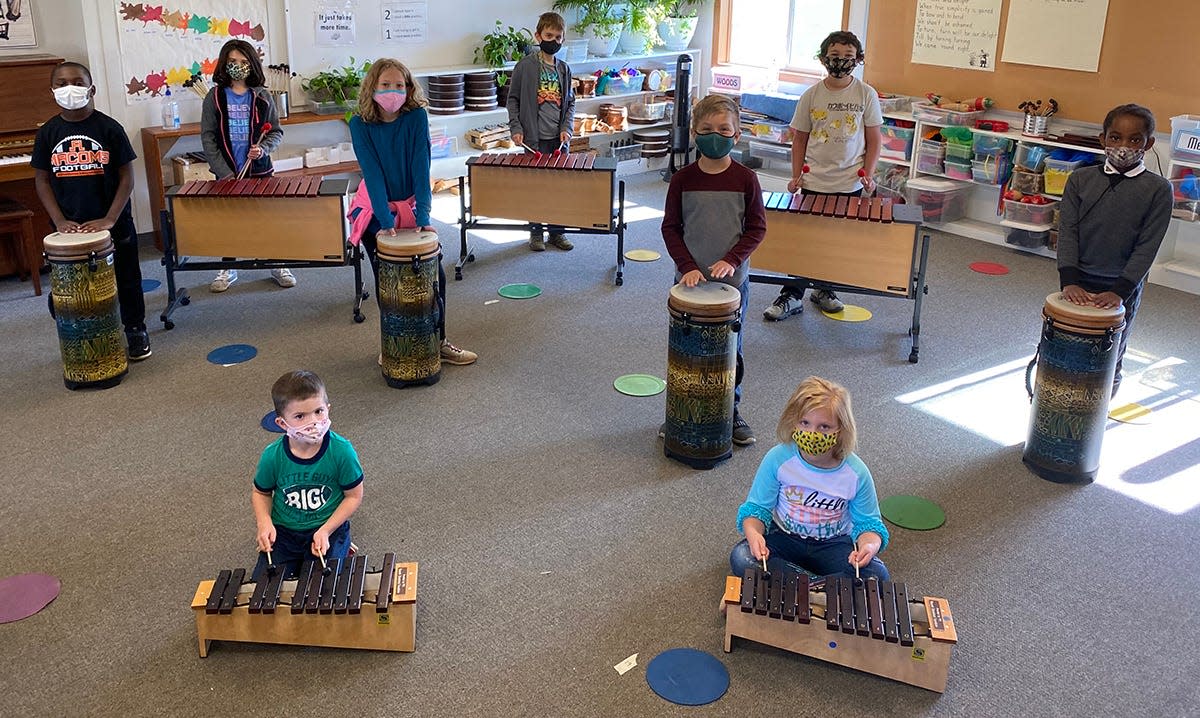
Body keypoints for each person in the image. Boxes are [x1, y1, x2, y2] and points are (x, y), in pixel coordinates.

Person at [348, 58, 476, 366]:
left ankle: (440, 340)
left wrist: (424, 219)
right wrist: (385, 220)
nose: (393, 91)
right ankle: (394, 343)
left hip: (412, 202)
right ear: (372, 87)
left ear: (408, 88)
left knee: (435, 275)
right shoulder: (359, 123)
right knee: (388, 279)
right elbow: (373, 172)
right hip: (375, 207)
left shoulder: (416, 116)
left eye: (399, 85)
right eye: (386, 85)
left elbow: (422, 166)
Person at [661, 93, 766, 446]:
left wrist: (731, 259)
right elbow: (670, 228)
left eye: (724, 129)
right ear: (694, 133)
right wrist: (686, 265)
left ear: (737, 136)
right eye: (707, 129)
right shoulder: (682, 180)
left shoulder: (746, 179)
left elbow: (757, 229)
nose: (715, 136)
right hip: (688, 286)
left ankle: (730, 411)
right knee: (686, 354)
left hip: (733, 286)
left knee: (728, 353)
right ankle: (679, 411)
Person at [31, 61, 151, 361]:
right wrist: (59, 220)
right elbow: (42, 179)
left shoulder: (109, 128)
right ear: (52, 91)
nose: (69, 88)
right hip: (69, 223)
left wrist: (110, 217)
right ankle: (86, 329)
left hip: (114, 222)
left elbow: (127, 176)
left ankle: (135, 328)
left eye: (76, 81)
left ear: (91, 88)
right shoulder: (47, 133)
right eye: (61, 83)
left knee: (127, 278)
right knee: (77, 285)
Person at [762, 30, 882, 321]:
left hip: (850, 182)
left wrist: (870, 174)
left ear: (858, 60)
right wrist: (795, 176)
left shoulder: (866, 94)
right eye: (835, 57)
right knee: (806, 239)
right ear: (823, 58)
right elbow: (800, 139)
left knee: (836, 241)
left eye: (848, 58)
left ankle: (825, 289)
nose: (841, 62)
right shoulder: (812, 95)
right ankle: (792, 294)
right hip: (814, 180)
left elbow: (874, 139)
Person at [1058, 103, 1173, 397]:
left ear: (1148, 144)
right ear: (1103, 139)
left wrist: (1120, 290)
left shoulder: (1159, 190)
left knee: (1110, 350)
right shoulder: (1080, 180)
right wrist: (1069, 279)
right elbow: (1068, 231)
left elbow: (1148, 245)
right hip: (1078, 280)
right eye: (1115, 137)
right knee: (1069, 343)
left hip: (1121, 286)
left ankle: (1100, 408)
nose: (1123, 147)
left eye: (1135, 140)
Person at [729, 376, 889, 581]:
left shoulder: (856, 473)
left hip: (834, 544)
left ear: (841, 430)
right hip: (785, 537)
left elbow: (869, 524)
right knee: (742, 557)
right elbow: (756, 509)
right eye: (805, 423)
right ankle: (823, 589)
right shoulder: (778, 458)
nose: (812, 433)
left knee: (876, 575)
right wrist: (754, 535)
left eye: (824, 427)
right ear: (794, 421)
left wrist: (869, 545)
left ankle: (794, 585)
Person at [252, 370, 364, 581]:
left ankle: (342, 542)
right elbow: (261, 492)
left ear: (328, 409)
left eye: (319, 411)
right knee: (265, 585)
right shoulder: (272, 456)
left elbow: (354, 496)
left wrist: (326, 530)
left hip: (327, 527)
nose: (313, 422)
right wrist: (264, 522)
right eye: (300, 416)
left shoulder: (342, 451)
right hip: (285, 532)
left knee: (323, 588)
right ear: (282, 424)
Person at [200, 38, 289, 292]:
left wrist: (262, 149)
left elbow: (276, 133)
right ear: (224, 64)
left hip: (259, 170)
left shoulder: (261, 96)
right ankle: (229, 266)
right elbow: (208, 136)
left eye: (243, 61)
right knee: (230, 221)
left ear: (251, 64)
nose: (238, 66)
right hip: (228, 171)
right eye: (232, 62)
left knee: (267, 218)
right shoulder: (214, 97)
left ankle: (276, 261)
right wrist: (223, 172)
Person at [506, 11, 576, 252]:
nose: (553, 41)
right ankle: (536, 232)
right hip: (533, 140)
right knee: (535, 187)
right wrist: (516, 127)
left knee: (559, 187)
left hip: (558, 141)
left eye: (558, 37)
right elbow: (512, 99)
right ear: (538, 36)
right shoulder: (525, 66)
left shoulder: (564, 69)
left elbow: (570, 104)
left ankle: (557, 232)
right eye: (549, 35)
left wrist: (567, 129)